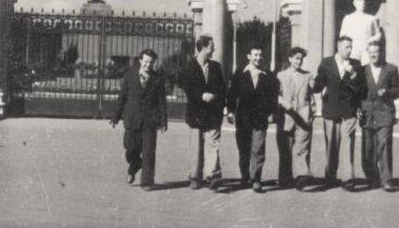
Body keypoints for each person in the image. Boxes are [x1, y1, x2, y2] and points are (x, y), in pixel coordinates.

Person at [110, 48, 168, 189]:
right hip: (132, 118)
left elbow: (162, 101)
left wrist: (163, 120)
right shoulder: (130, 75)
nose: (148, 65)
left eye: (151, 63)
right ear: (140, 60)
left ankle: (147, 182)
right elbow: (122, 97)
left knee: (148, 151)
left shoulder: (157, 79)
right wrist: (116, 116)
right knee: (130, 149)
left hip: (150, 120)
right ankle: (134, 164)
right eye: (146, 62)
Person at [312, 35, 365, 189]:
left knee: (348, 143)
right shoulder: (326, 62)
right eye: (347, 47)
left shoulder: (356, 64)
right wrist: (315, 83)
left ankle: (348, 179)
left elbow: (360, 89)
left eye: (351, 47)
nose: (350, 50)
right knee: (332, 145)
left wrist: (353, 74)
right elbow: (318, 86)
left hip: (349, 109)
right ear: (339, 47)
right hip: (331, 108)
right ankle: (330, 177)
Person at [177, 34, 226, 190]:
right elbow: (186, 87)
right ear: (203, 48)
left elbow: (222, 89)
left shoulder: (216, 67)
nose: (214, 49)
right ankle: (195, 177)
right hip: (196, 113)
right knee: (196, 146)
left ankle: (213, 176)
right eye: (211, 47)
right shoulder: (188, 67)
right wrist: (201, 95)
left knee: (213, 145)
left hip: (213, 113)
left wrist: (216, 97)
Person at [226, 46, 278, 193]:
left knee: (258, 149)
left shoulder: (268, 75)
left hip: (260, 119)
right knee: (244, 149)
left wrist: (272, 113)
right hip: (243, 119)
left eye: (260, 55)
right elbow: (231, 94)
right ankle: (245, 177)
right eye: (255, 55)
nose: (258, 58)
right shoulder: (240, 73)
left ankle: (256, 179)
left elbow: (273, 97)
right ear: (249, 56)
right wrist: (230, 111)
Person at [359, 43, 399, 191]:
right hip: (367, 114)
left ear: (381, 53)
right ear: (367, 54)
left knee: (384, 145)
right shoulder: (362, 70)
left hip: (385, 113)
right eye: (370, 52)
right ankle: (372, 178)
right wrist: (358, 108)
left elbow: (398, 91)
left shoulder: (391, 69)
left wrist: (388, 92)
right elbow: (357, 92)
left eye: (376, 52)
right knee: (368, 149)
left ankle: (386, 180)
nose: (373, 55)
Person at [276, 46, 314, 191]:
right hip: (286, 115)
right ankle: (285, 178)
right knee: (285, 149)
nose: (299, 61)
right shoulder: (281, 75)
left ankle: (301, 177)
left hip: (303, 116)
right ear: (290, 59)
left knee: (302, 147)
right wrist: (283, 103)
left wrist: (312, 110)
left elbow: (311, 96)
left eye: (301, 59)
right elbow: (276, 94)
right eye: (296, 58)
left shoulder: (308, 76)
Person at [338, 0, 382, 65]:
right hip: (353, 48)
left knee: (367, 68)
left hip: (366, 47)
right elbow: (342, 35)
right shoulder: (348, 18)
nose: (362, 5)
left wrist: (370, 40)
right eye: (360, 3)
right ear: (355, 5)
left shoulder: (371, 18)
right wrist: (347, 46)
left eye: (363, 3)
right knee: (352, 67)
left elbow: (378, 35)